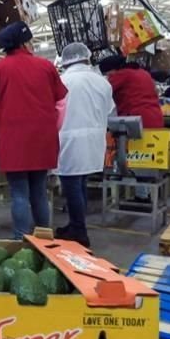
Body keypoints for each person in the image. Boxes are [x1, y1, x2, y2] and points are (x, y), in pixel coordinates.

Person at [0, 21, 69, 239]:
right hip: (43, 141)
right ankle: (45, 241)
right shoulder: (46, 67)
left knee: (19, 194)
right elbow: (62, 101)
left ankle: (21, 240)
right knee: (39, 192)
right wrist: (52, 128)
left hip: (13, 142)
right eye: (31, 41)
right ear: (24, 43)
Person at [55, 43, 115, 248]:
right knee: (81, 185)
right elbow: (110, 111)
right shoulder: (102, 83)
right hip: (94, 141)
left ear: (65, 61)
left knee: (72, 187)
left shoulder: (62, 81)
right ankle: (75, 224)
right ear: (87, 58)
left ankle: (79, 232)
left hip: (69, 140)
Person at [99, 55, 164, 129]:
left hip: (137, 120)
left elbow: (100, 91)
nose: (108, 77)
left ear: (113, 69)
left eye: (107, 74)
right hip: (156, 118)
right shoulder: (143, 73)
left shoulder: (121, 75)